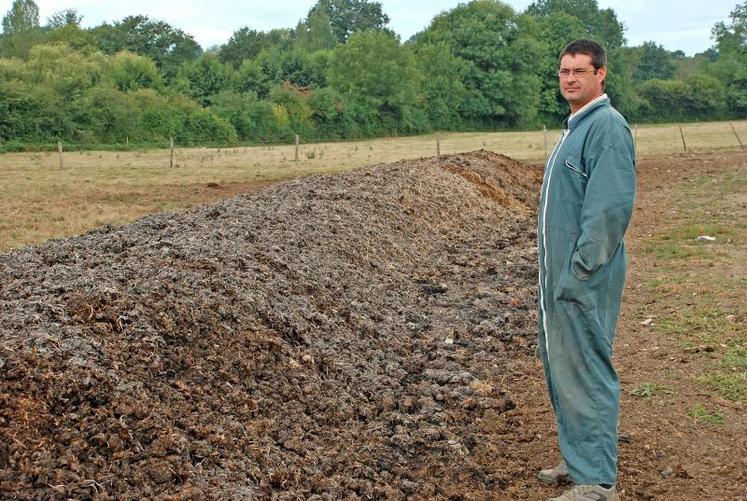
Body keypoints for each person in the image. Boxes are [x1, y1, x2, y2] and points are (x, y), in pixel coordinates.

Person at [536, 39, 636, 501]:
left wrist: (578, 271)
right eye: (563, 71)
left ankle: (596, 483)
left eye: (579, 71)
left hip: (583, 276)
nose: (569, 78)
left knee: (587, 367)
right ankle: (580, 458)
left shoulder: (606, 128)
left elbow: (609, 211)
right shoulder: (576, 127)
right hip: (561, 276)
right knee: (565, 366)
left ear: (601, 75)